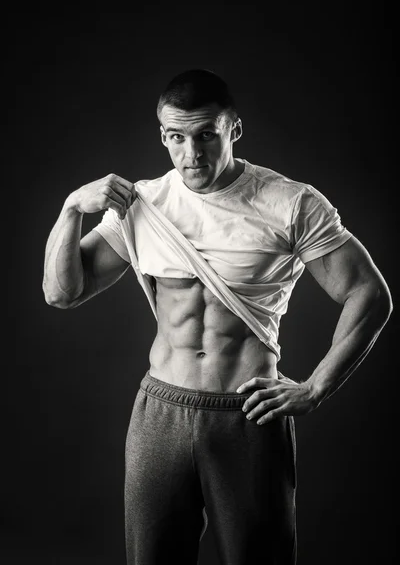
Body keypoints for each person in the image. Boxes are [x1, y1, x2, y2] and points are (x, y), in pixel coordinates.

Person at [42, 69, 392, 565]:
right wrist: (71, 207)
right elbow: (61, 292)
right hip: (160, 410)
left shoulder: (290, 203)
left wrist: (314, 388)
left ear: (234, 130)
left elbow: (368, 293)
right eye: (177, 137)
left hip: (247, 416)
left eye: (207, 134)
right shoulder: (143, 205)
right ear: (162, 136)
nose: (192, 154)